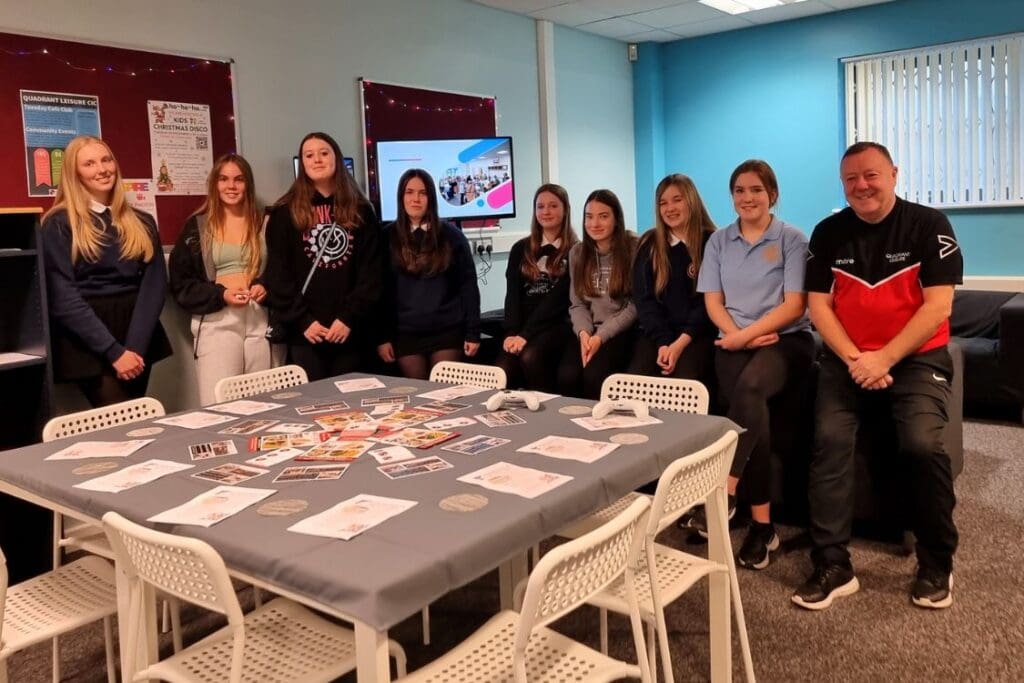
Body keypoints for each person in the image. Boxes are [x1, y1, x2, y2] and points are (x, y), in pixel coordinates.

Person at [793, 142, 962, 611]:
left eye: (871, 175)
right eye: (851, 179)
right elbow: (817, 307)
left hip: (915, 359)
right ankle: (832, 563)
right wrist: (855, 359)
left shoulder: (930, 226)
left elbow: (938, 308)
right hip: (847, 359)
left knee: (922, 445)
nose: (861, 186)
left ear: (893, 174)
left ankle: (936, 561)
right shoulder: (828, 232)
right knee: (828, 440)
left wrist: (884, 358)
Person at [689, 160, 814, 570]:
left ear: (772, 194)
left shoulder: (793, 238)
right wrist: (736, 337)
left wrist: (747, 336)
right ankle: (763, 527)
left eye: (756, 190)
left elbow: (795, 304)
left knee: (750, 390)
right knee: (749, 417)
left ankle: (723, 491)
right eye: (740, 190)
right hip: (734, 340)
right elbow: (712, 300)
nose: (748, 198)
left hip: (786, 340)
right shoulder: (719, 241)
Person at [40, 135, 171, 407]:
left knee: (135, 421)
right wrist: (114, 352)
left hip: (136, 332)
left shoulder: (142, 221)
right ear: (74, 173)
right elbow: (62, 296)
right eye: (89, 164)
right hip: (87, 340)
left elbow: (154, 285)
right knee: (123, 419)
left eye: (106, 159)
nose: (102, 169)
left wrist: (134, 348)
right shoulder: (58, 223)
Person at [263, 132, 382, 381]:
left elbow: (372, 273)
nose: (317, 159)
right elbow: (278, 274)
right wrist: (303, 321)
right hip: (305, 333)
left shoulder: (362, 211)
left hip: (351, 331)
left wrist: (348, 317)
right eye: (309, 155)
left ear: (336, 158)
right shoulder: (284, 213)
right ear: (303, 164)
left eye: (324, 153)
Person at [169, 153, 272, 405]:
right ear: (215, 184)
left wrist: (264, 285)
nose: (231, 186)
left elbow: (282, 270)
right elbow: (181, 283)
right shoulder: (198, 226)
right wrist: (221, 294)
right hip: (219, 320)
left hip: (260, 319)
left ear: (248, 184)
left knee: (266, 404)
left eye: (239, 180)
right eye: (224, 179)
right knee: (219, 404)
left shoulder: (265, 222)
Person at [376, 168, 481, 379]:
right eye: (409, 192)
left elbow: (468, 287)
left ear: (431, 198)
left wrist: (473, 332)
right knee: (418, 395)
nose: (416, 199)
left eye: (423, 193)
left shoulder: (453, 237)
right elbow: (381, 292)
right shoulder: (386, 237)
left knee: (443, 395)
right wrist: (382, 337)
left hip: (447, 331)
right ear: (401, 197)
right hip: (405, 333)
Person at [629, 173, 717, 383]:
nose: (670, 208)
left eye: (677, 200)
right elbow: (644, 300)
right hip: (658, 335)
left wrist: (679, 345)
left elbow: (708, 303)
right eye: (663, 203)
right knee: (635, 381)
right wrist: (664, 343)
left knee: (684, 382)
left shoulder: (712, 242)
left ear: (691, 201)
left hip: (697, 335)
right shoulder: (650, 244)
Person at [557, 189, 638, 399]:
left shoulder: (633, 247)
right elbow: (577, 304)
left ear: (616, 219)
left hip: (619, 331)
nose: (595, 224)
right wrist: (584, 334)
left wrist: (600, 337)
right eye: (589, 216)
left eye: (603, 216)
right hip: (587, 331)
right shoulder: (577, 252)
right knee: (567, 376)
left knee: (595, 376)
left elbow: (634, 306)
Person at [496, 184, 578, 391]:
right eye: (540, 206)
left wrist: (526, 334)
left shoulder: (576, 251)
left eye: (553, 206)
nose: (546, 211)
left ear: (565, 209)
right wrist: (512, 332)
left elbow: (557, 301)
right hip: (523, 324)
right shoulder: (519, 249)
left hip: (556, 323)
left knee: (531, 356)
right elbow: (512, 295)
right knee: (501, 370)